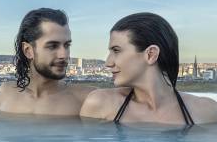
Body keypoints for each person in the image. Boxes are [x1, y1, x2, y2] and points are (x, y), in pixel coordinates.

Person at [80, 12, 217, 125]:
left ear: (151, 54)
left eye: (116, 51)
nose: (108, 63)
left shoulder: (207, 111)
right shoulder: (100, 104)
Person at [0, 8, 94, 116]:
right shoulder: (6, 92)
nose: (64, 55)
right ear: (28, 51)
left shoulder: (86, 99)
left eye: (67, 45)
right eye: (52, 46)